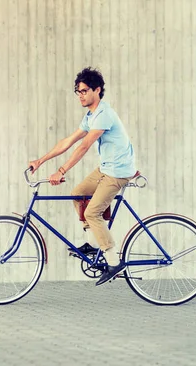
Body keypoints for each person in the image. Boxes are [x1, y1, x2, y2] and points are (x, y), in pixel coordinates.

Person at [28, 67, 137, 286]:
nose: (81, 95)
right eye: (78, 91)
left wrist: (61, 171)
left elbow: (84, 146)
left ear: (97, 90)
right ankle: (93, 242)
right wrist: (41, 160)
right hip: (107, 168)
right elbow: (69, 141)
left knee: (92, 212)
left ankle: (114, 261)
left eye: (85, 91)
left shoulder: (104, 114)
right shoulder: (90, 116)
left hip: (118, 172)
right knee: (78, 193)